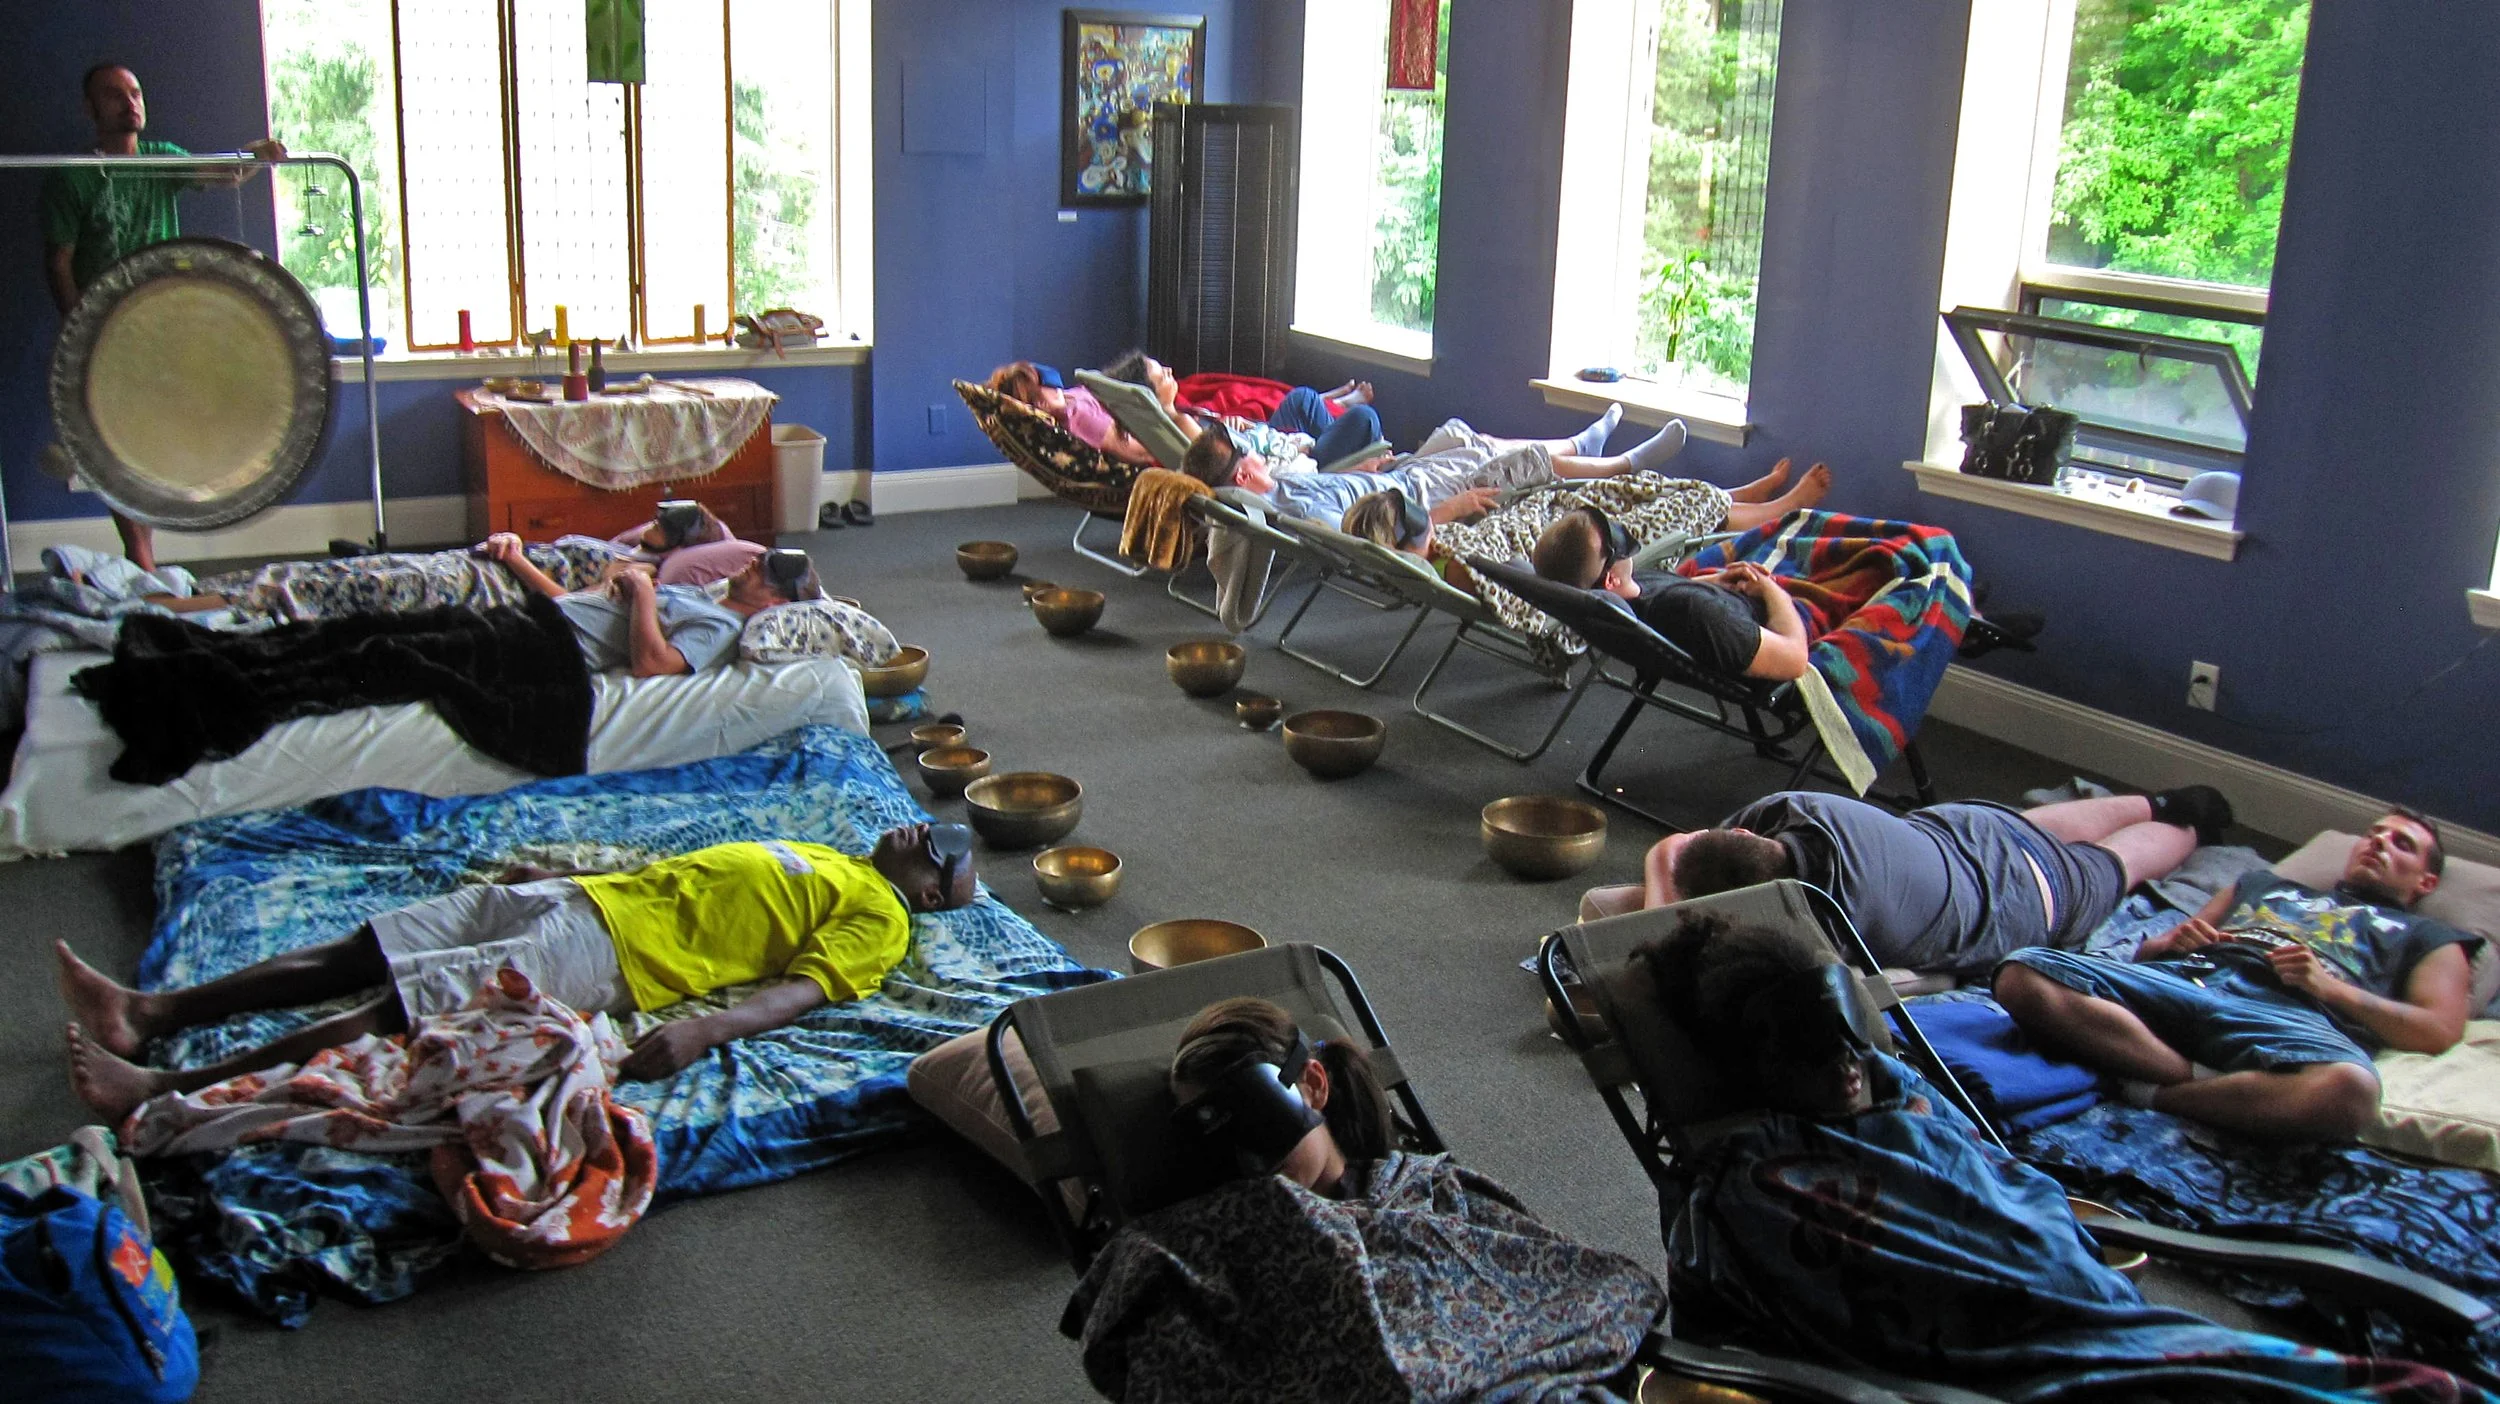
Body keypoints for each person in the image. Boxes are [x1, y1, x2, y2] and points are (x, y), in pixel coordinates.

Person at [1636, 911, 2494, 1402]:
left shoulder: (1900, 1092)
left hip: (2118, 1326)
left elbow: (2009, 1188)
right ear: (1760, 1067)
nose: (1849, 1067)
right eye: (1818, 1057)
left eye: (1850, 1043)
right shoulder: (1757, 1183)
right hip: (2045, 1368)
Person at [57, 823, 983, 1120]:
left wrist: (707, 1028)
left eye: (939, 851)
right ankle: (151, 1010)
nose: (919, 834)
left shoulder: (881, 917)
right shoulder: (832, 854)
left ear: (935, 896)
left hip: (607, 957)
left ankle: (165, 1088)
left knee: (395, 1005)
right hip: (583, 902)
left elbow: (806, 989)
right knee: (368, 945)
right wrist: (570, 876)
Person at [1061, 997, 1666, 1401]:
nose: (1249, 1168)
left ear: (1313, 1087)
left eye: (1256, 1129)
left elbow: (1558, 1292)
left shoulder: (1428, 1192)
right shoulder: (1203, 1240)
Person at [1994, 809, 2478, 1141]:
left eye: (2401, 844)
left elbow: (2437, 1031)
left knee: (2352, 1093)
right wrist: (2168, 944)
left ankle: (2154, 1092)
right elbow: (2164, 947)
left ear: (2426, 882)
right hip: (2194, 979)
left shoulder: (2430, 935)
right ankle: (2199, 1082)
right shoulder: (2262, 884)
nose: (2378, 843)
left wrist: (2329, 987)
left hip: (2291, 1015)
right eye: (2374, 833)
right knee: (2022, 970)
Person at [40, 63, 287, 571]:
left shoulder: (161, 160)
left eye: (134, 93)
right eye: (113, 96)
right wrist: (78, 332)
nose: (129, 103)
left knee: (149, 443)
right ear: (90, 110)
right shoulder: (71, 176)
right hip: (105, 330)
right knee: (111, 446)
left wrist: (256, 156)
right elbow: (59, 264)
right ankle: (141, 555)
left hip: (168, 329)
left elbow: (225, 172)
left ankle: (143, 555)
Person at [1645, 786, 2234, 975]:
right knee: (2032, 828)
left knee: (2116, 867)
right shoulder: (1789, 807)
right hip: (1964, 829)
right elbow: (1677, 847)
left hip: (2020, 898)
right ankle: (2161, 801)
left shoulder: (1822, 929)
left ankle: (2188, 831)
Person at [1182, 404, 1699, 529]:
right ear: (1245, 475)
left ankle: (1576, 441)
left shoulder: (1281, 493)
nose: (1254, 453)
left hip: (1392, 477)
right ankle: (1623, 463)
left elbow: (1343, 498)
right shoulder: (1291, 501)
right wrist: (1444, 512)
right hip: (1415, 495)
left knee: (1456, 432)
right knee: (1515, 464)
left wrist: (1362, 472)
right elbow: (1358, 530)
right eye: (1248, 456)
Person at [1527, 494, 1839, 680]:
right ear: (1610, 580)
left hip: (1732, 601)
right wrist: (1774, 592)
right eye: (1614, 542)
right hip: (1790, 622)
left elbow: (1667, 597)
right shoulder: (1695, 613)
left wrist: (1714, 582)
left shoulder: (1624, 600)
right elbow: (1794, 660)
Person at [480, 533, 821, 676]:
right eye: (760, 560)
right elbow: (573, 604)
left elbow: (652, 664)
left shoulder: (723, 627)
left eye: (764, 573)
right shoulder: (699, 595)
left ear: (775, 603)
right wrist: (516, 558)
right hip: (525, 616)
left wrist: (642, 591)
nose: (754, 564)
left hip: (540, 644)